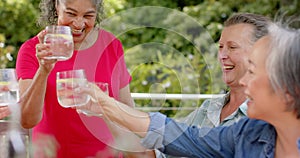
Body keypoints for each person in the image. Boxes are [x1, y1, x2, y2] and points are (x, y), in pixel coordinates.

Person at [77, 22, 300, 157]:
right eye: (221, 46)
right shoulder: (247, 134)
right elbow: (181, 136)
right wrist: (105, 104)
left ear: (288, 88)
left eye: (253, 72)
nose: (244, 82)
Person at [16, 0, 154, 157]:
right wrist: (44, 70)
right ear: (57, 7)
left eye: (88, 15)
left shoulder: (111, 45)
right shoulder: (33, 50)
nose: (78, 24)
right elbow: (27, 120)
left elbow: (127, 111)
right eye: (71, 14)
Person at [183, 13, 270, 127]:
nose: (222, 56)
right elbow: (170, 137)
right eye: (220, 47)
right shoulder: (207, 109)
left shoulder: (266, 116)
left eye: (232, 47)